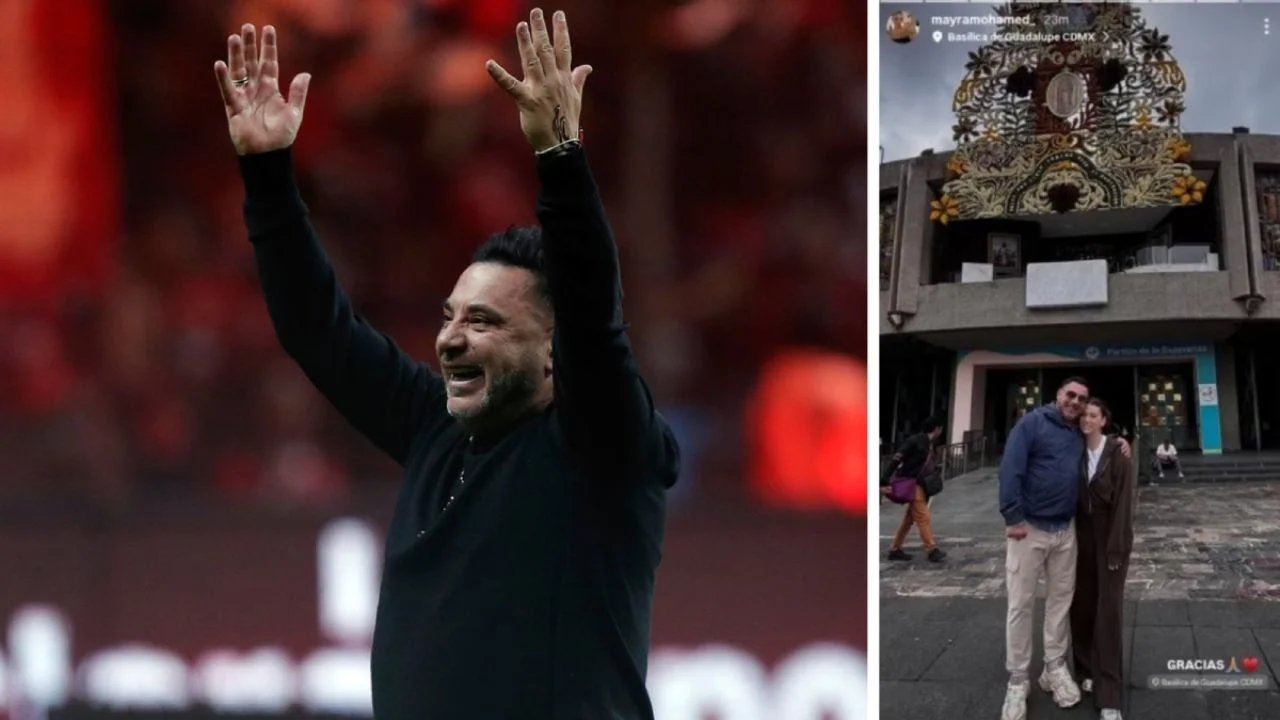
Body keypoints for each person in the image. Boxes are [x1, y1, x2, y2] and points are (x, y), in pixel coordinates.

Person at [212, 12, 680, 719]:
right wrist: (269, 176)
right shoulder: (438, 427)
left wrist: (560, 158)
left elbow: (592, 318)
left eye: (485, 322)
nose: (451, 340)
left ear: (555, 355)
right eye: (449, 317)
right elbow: (318, 330)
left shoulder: (599, 450)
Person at [998, 377, 1088, 720]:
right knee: (1020, 605)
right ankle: (1018, 679)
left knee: (1060, 603)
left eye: (1081, 398)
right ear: (1058, 395)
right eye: (1071, 395)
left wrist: (1120, 445)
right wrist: (1012, 515)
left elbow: (1099, 444)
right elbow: (1011, 468)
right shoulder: (1032, 423)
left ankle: (1054, 666)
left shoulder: (1078, 432)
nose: (1076, 402)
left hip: (1065, 530)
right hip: (1029, 530)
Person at [1070, 398, 1136, 720]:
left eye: (1092, 415)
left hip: (1110, 534)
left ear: (1104, 420)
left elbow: (1125, 505)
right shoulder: (1073, 450)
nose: (1086, 420)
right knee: (1081, 603)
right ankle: (1085, 669)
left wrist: (1117, 547)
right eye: (1083, 415)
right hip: (1079, 535)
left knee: (1108, 610)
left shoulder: (1118, 455)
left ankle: (1109, 690)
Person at [885, 416, 946, 562]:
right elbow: (897, 458)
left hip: (920, 484)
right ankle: (931, 549)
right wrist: (884, 479)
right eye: (940, 428)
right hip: (912, 483)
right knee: (923, 516)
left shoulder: (931, 444)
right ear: (936, 428)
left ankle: (895, 548)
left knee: (909, 519)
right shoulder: (916, 441)